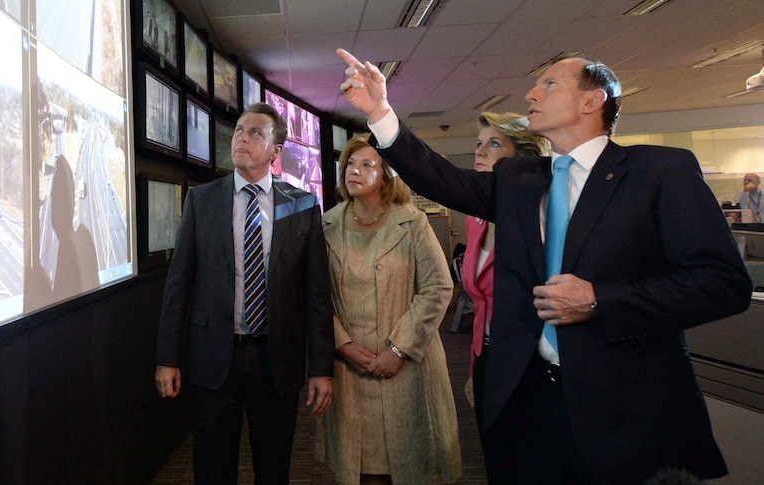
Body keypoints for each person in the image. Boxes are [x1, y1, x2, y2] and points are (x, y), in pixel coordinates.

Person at [335, 48, 752, 483]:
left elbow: (723, 283)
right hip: (528, 401)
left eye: (550, 84)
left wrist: (599, 300)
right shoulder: (519, 178)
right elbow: (440, 178)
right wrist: (380, 112)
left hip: (623, 406)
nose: (532, 93)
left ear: (593, 101)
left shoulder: (659, 171)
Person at [155, 102, 335, 485]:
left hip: (277, 359)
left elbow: (317, 295)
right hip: (214, 356)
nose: (243, 138)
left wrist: (321, 366)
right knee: (212, 468)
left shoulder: (301, 205)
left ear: (275, 151)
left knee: (273, 468)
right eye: (239, 130)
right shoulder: (202, 201)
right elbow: (178, 286)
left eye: (256, 133)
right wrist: (167, 357)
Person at [315, 134, 461, 484]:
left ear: (386, 176)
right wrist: (344, 345)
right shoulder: (327, 224)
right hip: (350, 369)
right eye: (351, 163)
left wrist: (398, 349)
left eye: (368, 164)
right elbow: (317, 296)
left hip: (407, 366)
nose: (355, 170)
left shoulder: (411, 222)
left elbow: (438, 287)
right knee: (362, 467)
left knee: (411, 465)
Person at [460, 112, 548, 463]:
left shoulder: (541, 214)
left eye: (494, 143)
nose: (480, 152)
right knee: (496, 460)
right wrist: (472, 371)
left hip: (533, 364)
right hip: (487, 359)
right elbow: (481, 305)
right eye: (478, 144)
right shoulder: (475, 219)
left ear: (521, 156)